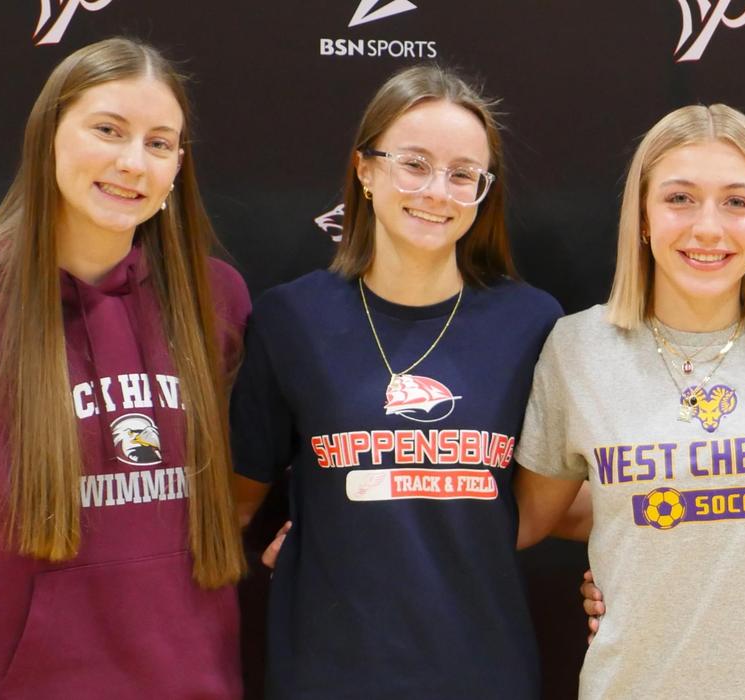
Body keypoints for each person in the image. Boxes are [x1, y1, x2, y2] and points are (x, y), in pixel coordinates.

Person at [0, 38, 250, 698]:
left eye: (160, 144)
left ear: (177, 166)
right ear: (49, 135)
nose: (133, 162)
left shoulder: (216, 302)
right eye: (108, 130)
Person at [228, 65, 560, 699]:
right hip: (329, 674)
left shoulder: (534, 322)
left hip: (483, 670)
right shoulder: (291, 317)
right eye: (414, 163)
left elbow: (548, 500)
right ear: (365, 169)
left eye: (464, 174)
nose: (438, 191)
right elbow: (242, 497)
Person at [513, 104, 745, 698]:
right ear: (641, 215)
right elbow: (528, 515)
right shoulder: (578, 347)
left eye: (737, 202)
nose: (708, 228)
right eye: (679, 198)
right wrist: (342, 527)